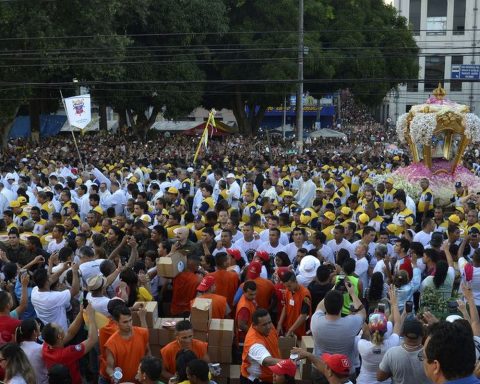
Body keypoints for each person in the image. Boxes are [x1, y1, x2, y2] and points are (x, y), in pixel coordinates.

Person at [310, 283, 365, 382]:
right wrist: (353, 294)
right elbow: (362, 313)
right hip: (343, 373)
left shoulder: (316, 321)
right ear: (342, 306)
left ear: (326, 306)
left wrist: (332, 290)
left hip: (320, 369)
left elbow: (319, 307)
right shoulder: (350, 323)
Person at [356, 285, 403, 384]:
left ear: (370, 328)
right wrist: (394, 304)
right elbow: (398, 323)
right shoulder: (391, 344)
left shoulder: (362, 345)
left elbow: (364, 329)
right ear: (386, 330)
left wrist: (374, 317)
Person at [41, 304, 98, 384]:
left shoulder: (46, 346)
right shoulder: (67, 353)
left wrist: (81, 313)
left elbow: (70, 333)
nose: (62, 328)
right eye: (60, 328)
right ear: (59, 336)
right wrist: (91, 317)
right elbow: (92, 339)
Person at [104, 305, 150, 383]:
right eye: (125, 322)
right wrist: (113, 375)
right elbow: (109, 368)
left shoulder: (143, 333)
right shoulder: (111, 344)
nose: (129, 324)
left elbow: (148, 353)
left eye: (130, 320)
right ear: (116, 323)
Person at [377, 319, 430, 383]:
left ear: (402, 334)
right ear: (423, 334)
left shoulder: (391, 353)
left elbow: (379, 377)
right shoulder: (431, 354)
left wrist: (393, 371)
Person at [240, 308, 282, 384]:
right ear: (254, 326)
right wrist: (287, 363)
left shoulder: (269, 328)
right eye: (264, 325)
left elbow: (276, 347)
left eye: (269, 322)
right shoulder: (253, 342)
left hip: (270, 377)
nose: (269, 326)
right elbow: (266, 361)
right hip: (256, 380)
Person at [276, 271, 311, 338]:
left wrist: (290, 330)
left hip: (302, 331)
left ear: (295, 281)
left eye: (289, 286)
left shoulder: (305, 294)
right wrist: (280, 323)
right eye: (286, 286)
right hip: (290, 329)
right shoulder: (287, 291)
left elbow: (303, 315)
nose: (288, 288)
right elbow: (285, 307)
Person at [16, 318, 48, 384]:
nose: (39, 326)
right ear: (34, 332)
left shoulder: (18, 348)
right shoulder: (40, 348)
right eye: (37, 325)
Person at [236, 281, 257, 346]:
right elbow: (241, 325)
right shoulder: (244, 308)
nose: (253, 297)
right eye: (251, 294)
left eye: (255, 294)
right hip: (244, 339)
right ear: (244, 292)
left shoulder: (246, 298)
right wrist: (254, 333)